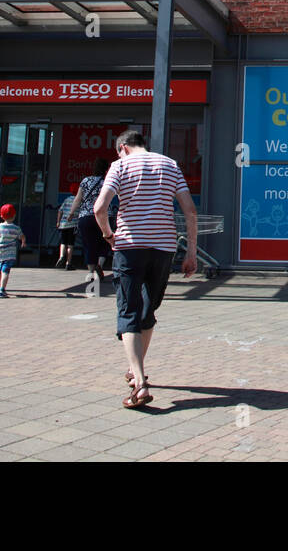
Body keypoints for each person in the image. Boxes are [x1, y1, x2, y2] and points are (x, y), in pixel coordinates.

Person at [94, 129, 198, 408]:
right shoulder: (170, 164)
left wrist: (108, 234)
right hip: (163, 247)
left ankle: (139, 383)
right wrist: (191, 252)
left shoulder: (120, 165)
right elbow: (189, 209)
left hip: (129, 247)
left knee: (128, 310)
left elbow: (99, 208)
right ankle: (136, 367)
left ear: (123, 148)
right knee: (148, 309)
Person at [69, 158, 111, 285]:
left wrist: (71, 213)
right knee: (105, 242)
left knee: (89, 245)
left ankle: (91, 272)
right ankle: (100, 264)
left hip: (85, 217)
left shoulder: (85, 181)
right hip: (102, 216)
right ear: (106, 170)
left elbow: (78, 199)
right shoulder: (107, 183)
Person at [54, 193, 78, 269]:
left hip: (63, 224)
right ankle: (68, 263)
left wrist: (58, 222)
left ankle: (61, 256)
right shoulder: (79, 200)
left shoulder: (66, 199)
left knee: (63, 242)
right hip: (73, 225)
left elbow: (60, 211)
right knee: (70, 244)